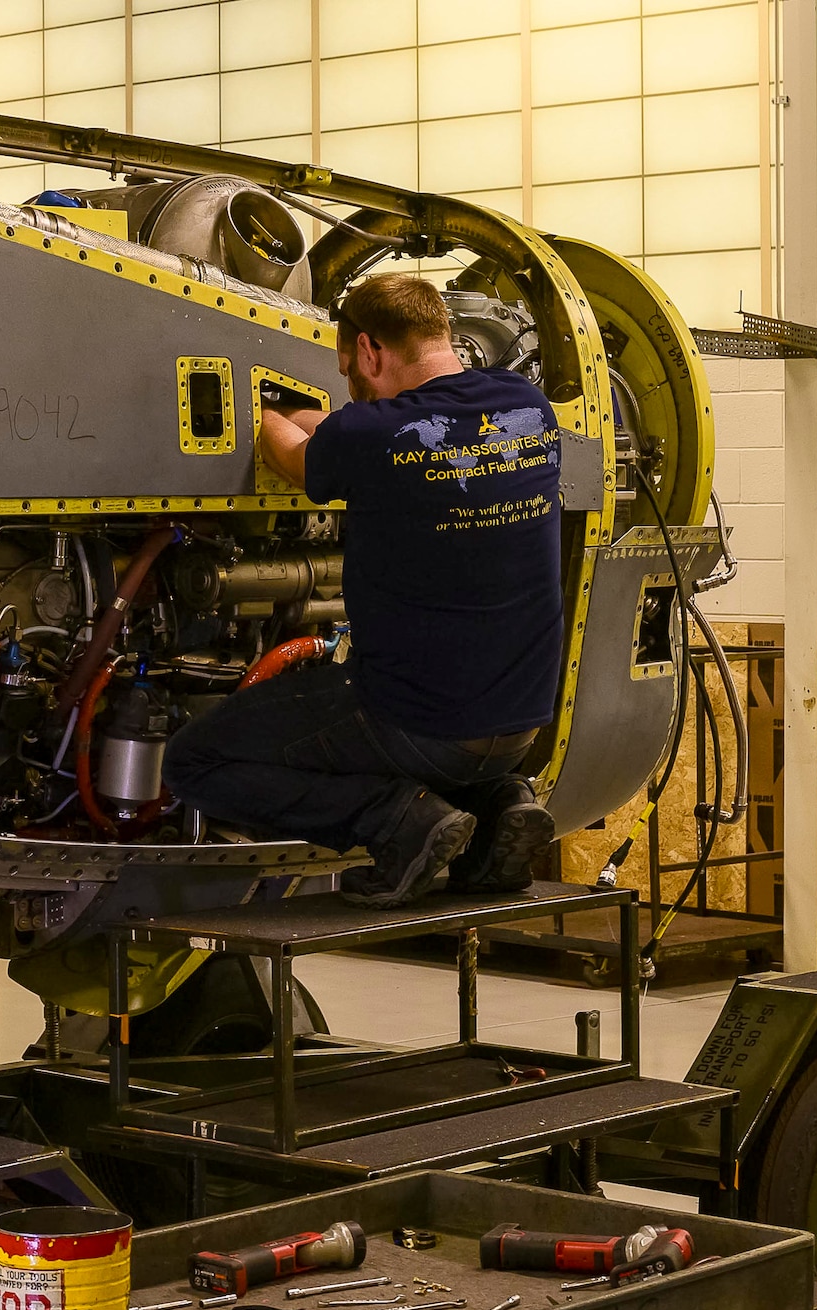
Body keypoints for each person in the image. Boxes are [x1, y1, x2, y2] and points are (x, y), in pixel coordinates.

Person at [164, 272, 563, 908]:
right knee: (431, 740)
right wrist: (335, 420)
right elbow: (385, 430)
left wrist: (261, 408)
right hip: (520, 725)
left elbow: (289, 449)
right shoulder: (525, 409)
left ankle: (397, 821)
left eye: (350, 368)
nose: (354, 386)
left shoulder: (373, 437)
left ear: (371, 350)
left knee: (194, 761)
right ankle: (500, 806)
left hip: (418, 723)